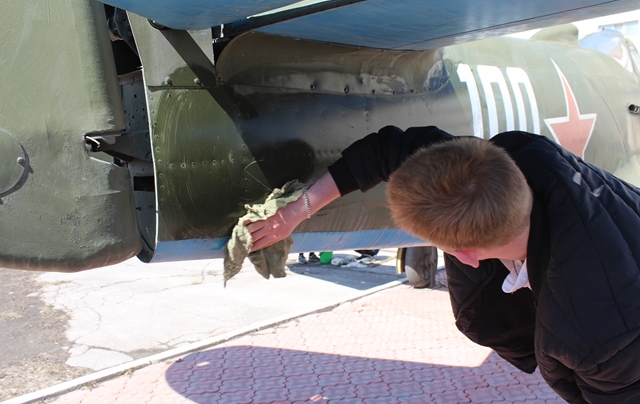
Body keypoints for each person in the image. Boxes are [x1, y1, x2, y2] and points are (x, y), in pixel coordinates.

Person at [247, 125, 640, 403]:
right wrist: (297, 210)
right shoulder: (505, 161)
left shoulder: (599, 335)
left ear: (463, 255)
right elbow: (385, 151)